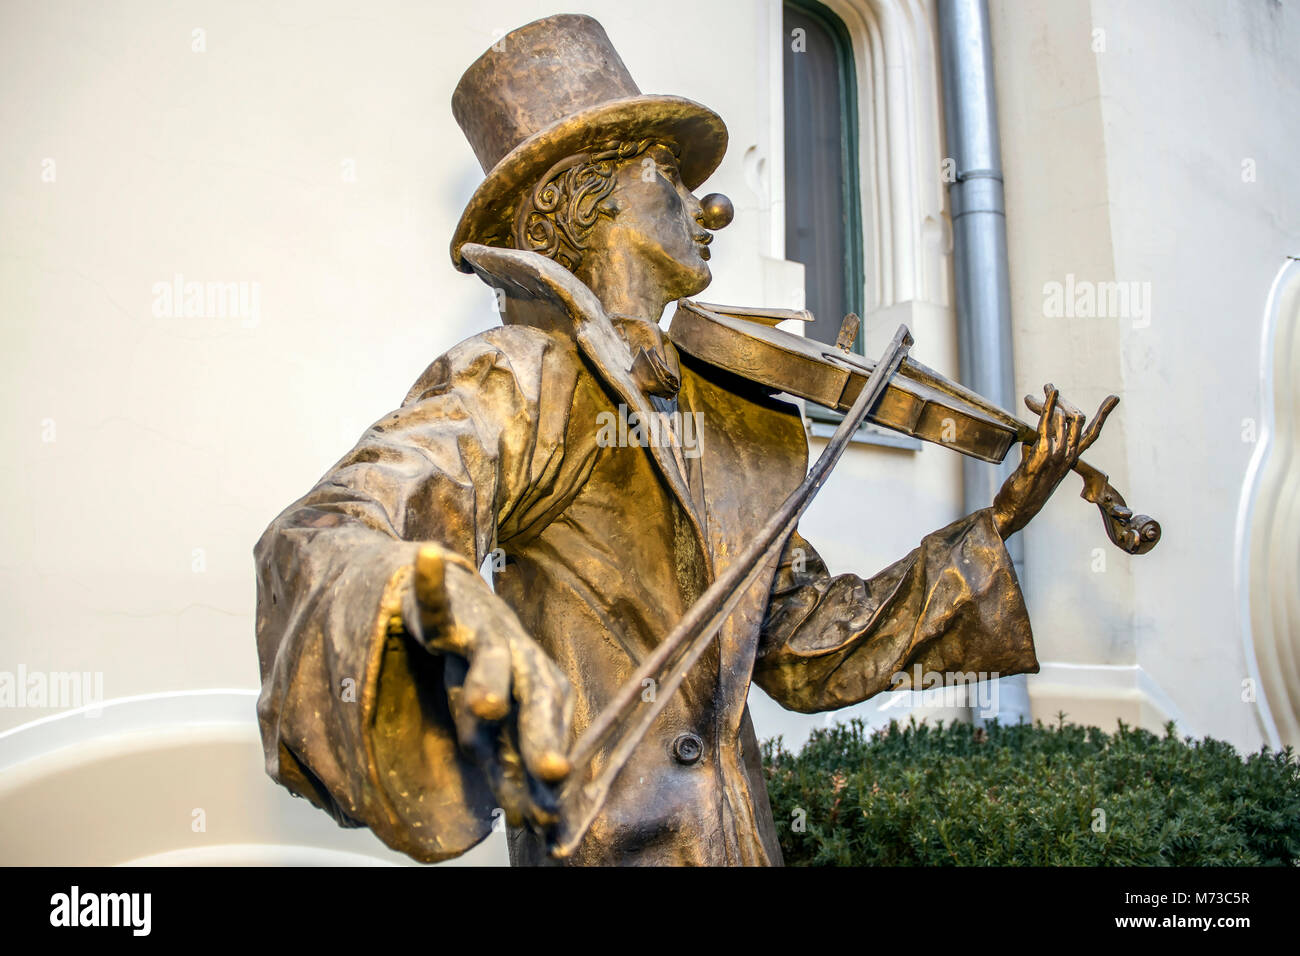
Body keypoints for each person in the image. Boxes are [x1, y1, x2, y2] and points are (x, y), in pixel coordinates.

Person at [255, 14, 1113, 866]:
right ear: (578, 197)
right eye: (665, 172)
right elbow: (325, 533)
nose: (713, 204)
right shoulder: (525, 375)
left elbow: (804, 641)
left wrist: (993, 527)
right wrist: (426, 599)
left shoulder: (724, 413)